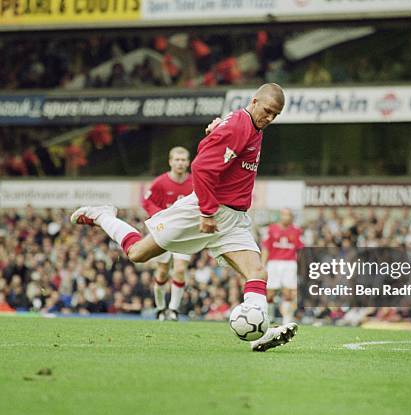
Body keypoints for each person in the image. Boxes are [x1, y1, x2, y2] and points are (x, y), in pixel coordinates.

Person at [71, 83, 297, 352]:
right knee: (138, 253)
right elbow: (200, 167)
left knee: (257, 271)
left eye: (275, 115)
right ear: (255, 101)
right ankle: (102, 215)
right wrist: (207, 211)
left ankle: (260, 333)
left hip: (233, 219)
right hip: (203, 210)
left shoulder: (248, 125)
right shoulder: (240, 125)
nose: (270, 118)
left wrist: (214, 132)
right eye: (268, 111)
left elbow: (209, 148)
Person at [143, 146, 194, 321]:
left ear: (188, 163)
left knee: (180, 269)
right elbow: (147, 202)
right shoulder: (160, 183)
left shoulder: (195, 182)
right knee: (163, 271)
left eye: (183, 160)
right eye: (176, 160)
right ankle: (160, 307)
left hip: (184, 233)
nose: (180, 163)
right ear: (170, 162)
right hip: (163, 232)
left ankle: (173, 310)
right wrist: (161, 216)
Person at [262, 208, 304, 325]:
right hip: (273, 263)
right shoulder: (271, 229)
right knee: (270, 293)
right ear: (281, 216)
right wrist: (263, 265)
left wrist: (300, 266)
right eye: (285, 215)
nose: (288, 218)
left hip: (289, 263)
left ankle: (287, 320)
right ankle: (269, 317)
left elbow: (300, 250)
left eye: (289, 215)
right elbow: (265, 247)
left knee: (288, 293)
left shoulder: (296, 231)